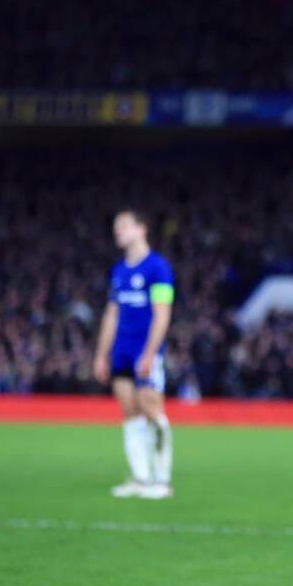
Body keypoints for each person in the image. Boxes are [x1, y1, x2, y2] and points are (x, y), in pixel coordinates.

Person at [92, 209, 175, 499]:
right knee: (129, 412)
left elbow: (162, 313)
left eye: (124, 226)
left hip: (145, 350)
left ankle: (162, 481)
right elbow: (111, 314)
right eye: (116, 227)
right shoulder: (119, 271)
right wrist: (102, 354)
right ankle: (141, 477)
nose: (118, 231)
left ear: (142, 229)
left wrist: (151, 353)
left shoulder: (158, 268)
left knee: (152, 409)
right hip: (121, 352)